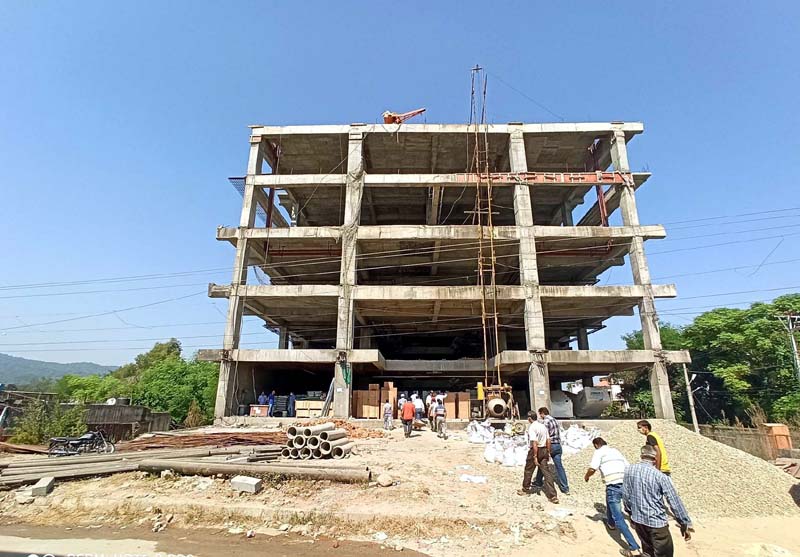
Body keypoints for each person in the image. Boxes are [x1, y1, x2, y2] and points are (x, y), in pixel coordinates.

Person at [623, 445, 693, 557]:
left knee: (647, 552)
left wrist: (630, 513)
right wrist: (684, 522)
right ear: (655, 459)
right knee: (665, 554)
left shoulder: (629, 470)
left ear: (641, 456)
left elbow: (626, 495)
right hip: (656, 523)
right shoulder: (660, 476)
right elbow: (674, 501)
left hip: (639, 521)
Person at [584, 437, 642, 556]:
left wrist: (587, 476)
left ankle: (633, 547)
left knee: (618, 518)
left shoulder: (598, 452)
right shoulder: (615, 451)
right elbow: (628, 466)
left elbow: (593, 468)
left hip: (613, 485)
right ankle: (611, 523)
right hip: (625, 484)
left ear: (596, 445)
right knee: (611, 501)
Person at [518, 411, 558, 503]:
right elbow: (548, 440)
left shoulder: (532, 427)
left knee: (528, 470)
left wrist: (535, 456)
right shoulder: (542, 426)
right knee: (547, 473)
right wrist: (548, 452)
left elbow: (534, 442)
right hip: (544, 449)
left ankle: (526, 489)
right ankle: (553, 496)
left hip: (535, 450)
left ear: (529, 418)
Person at [533, 407, 570, 495]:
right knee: (559, 467)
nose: (540, 416)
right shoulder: (555, 420)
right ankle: (565, 488)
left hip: (550, 445)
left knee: (542, 463)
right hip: (558, 445)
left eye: (540, 414)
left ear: (542, 413)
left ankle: (539, 482)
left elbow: (545, 435)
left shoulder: (546, 422)